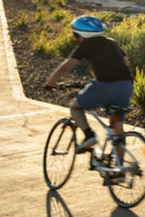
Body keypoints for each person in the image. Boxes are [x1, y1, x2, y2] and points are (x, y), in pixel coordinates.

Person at [45, 15, 134, 172]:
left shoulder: (86, 45)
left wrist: (50, 83)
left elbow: (65, 67)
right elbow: (119, 63)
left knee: (75, 108)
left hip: (105, 85)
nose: (76, 38)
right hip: (126, 86)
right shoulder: (112, 42)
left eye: (75, 34)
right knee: (117, 130)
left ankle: (89, 135)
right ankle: (118, 169)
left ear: (81, 34)